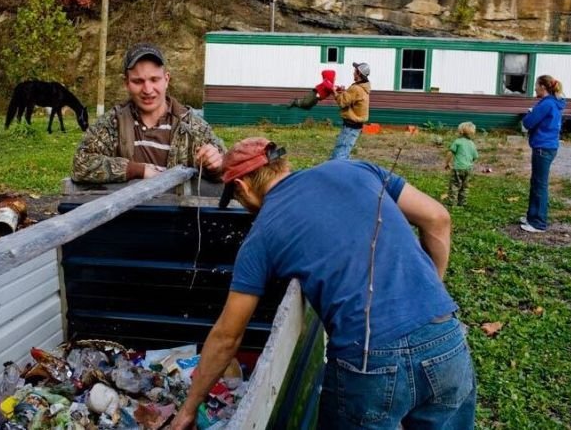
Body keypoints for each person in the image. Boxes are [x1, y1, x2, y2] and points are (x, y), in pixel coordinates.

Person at [170, 137, 476, 430]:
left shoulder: (261, 236)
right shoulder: (354, 168)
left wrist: (187, 410)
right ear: (281, 165)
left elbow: (227, 336)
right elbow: (437, 218)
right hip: (445, 337)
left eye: (236, 197)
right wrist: (430, 294)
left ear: (241, 186)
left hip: (369, 361)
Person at [71, 42, 225, 184]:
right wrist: (138, 170)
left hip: (180, 212)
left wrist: (215, 166)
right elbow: (80, 164)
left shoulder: (193, 127)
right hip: (129, 213)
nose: (147, 90)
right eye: (138, 81)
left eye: (154, 79)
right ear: (127, 83)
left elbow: (228, 170)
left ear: (166, 79)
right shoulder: (112, 124)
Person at [520, 75, 566, 233]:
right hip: (548, 146)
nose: (534, 88)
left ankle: (538, 222)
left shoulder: (546, 104)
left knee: (540, 185)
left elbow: (528, 122)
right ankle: (532, 216)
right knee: (537, 182)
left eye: (536, 85)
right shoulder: (554, 103)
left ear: (543, 87)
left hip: (543, 147)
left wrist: (530, 113)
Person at [330, 62, 371, 160]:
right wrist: (342, 92)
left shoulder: (356, 88)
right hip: (355, 127)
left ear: (359, 74)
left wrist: (333, 92)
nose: (353, 73)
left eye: (355, 71)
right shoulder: (362, 87)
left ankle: (338, 174)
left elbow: (342, 102)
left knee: (339, 156)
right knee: (345, 153)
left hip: (350, 127)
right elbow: (349, 99)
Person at [445, 121, 479, 207]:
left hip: (458, 168)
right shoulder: (472, 144)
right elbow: (475, 157)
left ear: (460, 131)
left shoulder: (457, 142)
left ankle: (452, 203)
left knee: (454, 185)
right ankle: (462, 203)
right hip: (468, 169)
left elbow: (450, 153)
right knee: (465, 186)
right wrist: (469, 163)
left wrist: (447, 163)